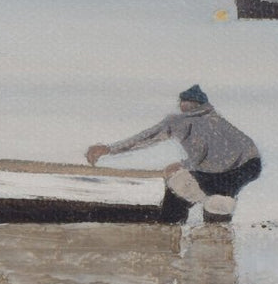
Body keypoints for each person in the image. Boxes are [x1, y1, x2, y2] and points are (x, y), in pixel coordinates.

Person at [86, 84, 261, 223]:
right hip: (249, 165)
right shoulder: (216, 118)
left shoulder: (182, 122)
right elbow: (231, 151)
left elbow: (148, 137)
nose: (179, 105)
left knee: (178, 188)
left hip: (227, 168)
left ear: (187, 103)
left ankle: (170, 227)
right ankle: (217, 229)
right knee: (218, 202)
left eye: (181, 102)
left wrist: (110, 149)